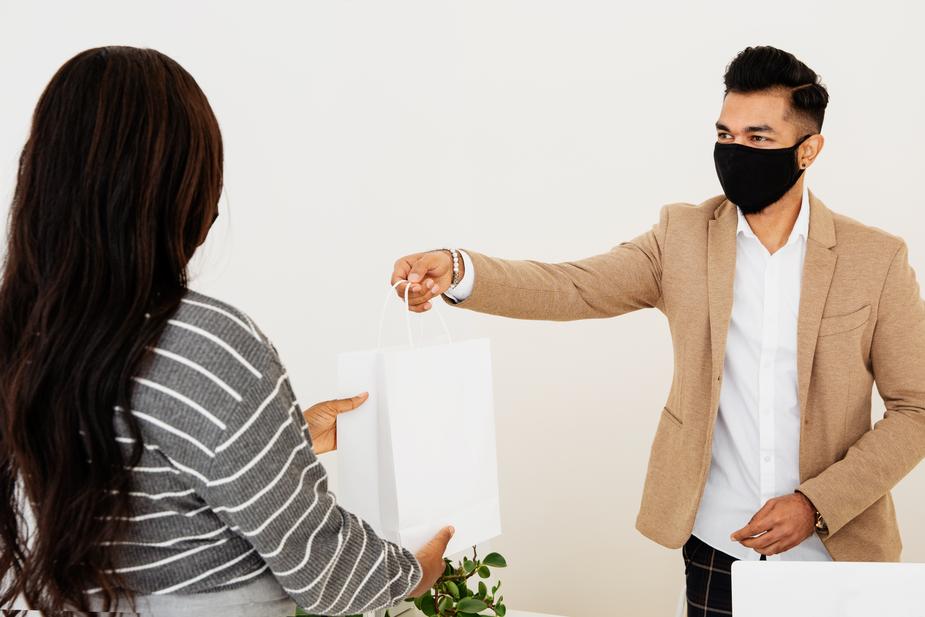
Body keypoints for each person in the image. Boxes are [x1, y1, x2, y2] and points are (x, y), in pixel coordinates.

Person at [391, 45, 925, 614]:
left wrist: (815, 504)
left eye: (759, 138)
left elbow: (915, 407)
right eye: (726, 135)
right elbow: (575, 286)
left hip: (838, 552)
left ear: (809, 150)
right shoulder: (684, 236)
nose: (736, 151)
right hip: (720, 545)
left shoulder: (876, 258)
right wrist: (459, 268)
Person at [0, 46, 452, 616]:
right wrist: (414, 572)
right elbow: (321, 566)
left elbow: (142, 467)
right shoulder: (208, 347)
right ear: (182, 188)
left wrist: (285, 442)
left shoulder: (24, 335)